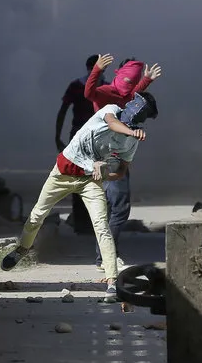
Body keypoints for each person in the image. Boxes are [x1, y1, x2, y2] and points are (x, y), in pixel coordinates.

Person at [1, 92, 159, 299]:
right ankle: (22, 249)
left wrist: (105, 174)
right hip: (63, 173)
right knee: (38, 214)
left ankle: (112, 281)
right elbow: (112, 124)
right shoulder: (110, 110)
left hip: (89, 180)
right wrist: (130, 131)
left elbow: (120, 172)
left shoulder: (132, 142)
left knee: (102, 226)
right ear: (130, 105)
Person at [85, 54, 163, 272]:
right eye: (129, 77)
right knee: (118, 209)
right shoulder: (106, 94)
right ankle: (106, 257)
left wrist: (147, 80)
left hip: (114, 155)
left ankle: (105, 256)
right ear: (119, 75)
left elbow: (133, 94)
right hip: (108, 157)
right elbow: (89, 93)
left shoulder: (122, 95)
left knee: (111, 210)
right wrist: (96, 70)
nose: (131, 82)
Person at [55, 55, 110, 234]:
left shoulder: (105, 88)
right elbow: (63, 110)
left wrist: (57, 136)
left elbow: (63, 111)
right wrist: (57, 136)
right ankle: (83, 222)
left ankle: (90, 222)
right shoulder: (80, 86)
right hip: (84, 137)